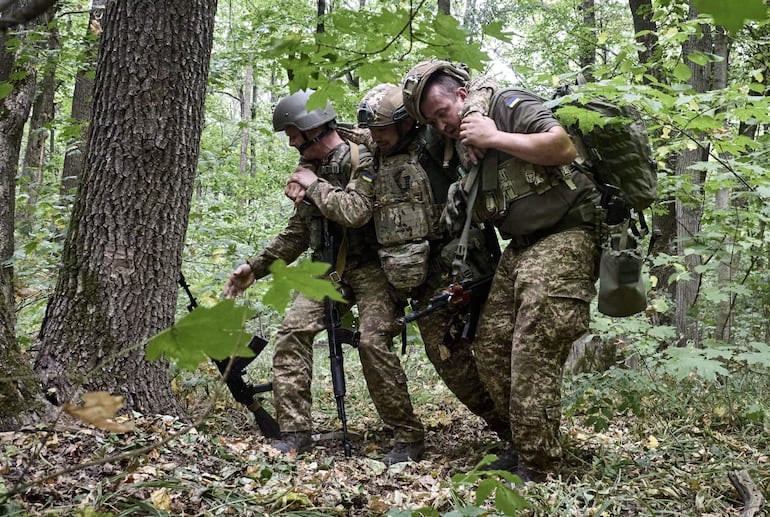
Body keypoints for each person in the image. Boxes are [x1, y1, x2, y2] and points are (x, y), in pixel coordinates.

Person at [401, 61, 602, 482]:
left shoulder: (507, 104)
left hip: (567, 232)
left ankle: (539, 465)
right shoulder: (457, 143)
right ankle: (524, 441)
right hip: (520, 247)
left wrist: (496, 137)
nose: (442, 125)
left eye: (443, 112)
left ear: (460, 93)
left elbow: (563, 147)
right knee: (491, 347)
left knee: (532, 348)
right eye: (433, 121)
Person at [223, 89, 425, 465]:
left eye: (294, 135)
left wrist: (312, 186)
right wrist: (255, 267)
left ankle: (408, 435)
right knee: (291, 333)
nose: (291, 143)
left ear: (314, 129)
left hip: (371, 270)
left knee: (372, 341)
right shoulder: (310, 170)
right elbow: (298, 233)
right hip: (327, 270)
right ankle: (296, 432)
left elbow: (355, 212)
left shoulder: (361, 157)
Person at [355, 84, 512, 447]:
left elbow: (481, 88)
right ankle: (408, 436)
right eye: (373, 133)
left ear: (406, 121)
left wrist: (471, 119)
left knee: (458, 354)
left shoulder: (439, 138)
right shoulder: (374, 151)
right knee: (381, 342)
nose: (377, 139)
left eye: (383, 131)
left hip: (448, 265)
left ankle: (509, 427)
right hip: (392, 266)